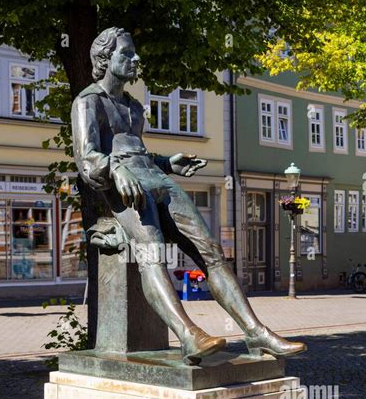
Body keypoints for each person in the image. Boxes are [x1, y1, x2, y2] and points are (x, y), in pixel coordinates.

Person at [71, 27, 306, 364]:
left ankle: (257, 333)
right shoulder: (87, 102)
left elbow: (137, 153)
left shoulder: (134, 108)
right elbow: (88, 158)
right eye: (127, 54)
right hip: (124, 190)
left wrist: (167, 162)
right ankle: (188, 335)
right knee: (151, 255)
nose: (136, 59)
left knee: (211, 252)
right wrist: (115, 170)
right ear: (105, 59)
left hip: (155, 180)